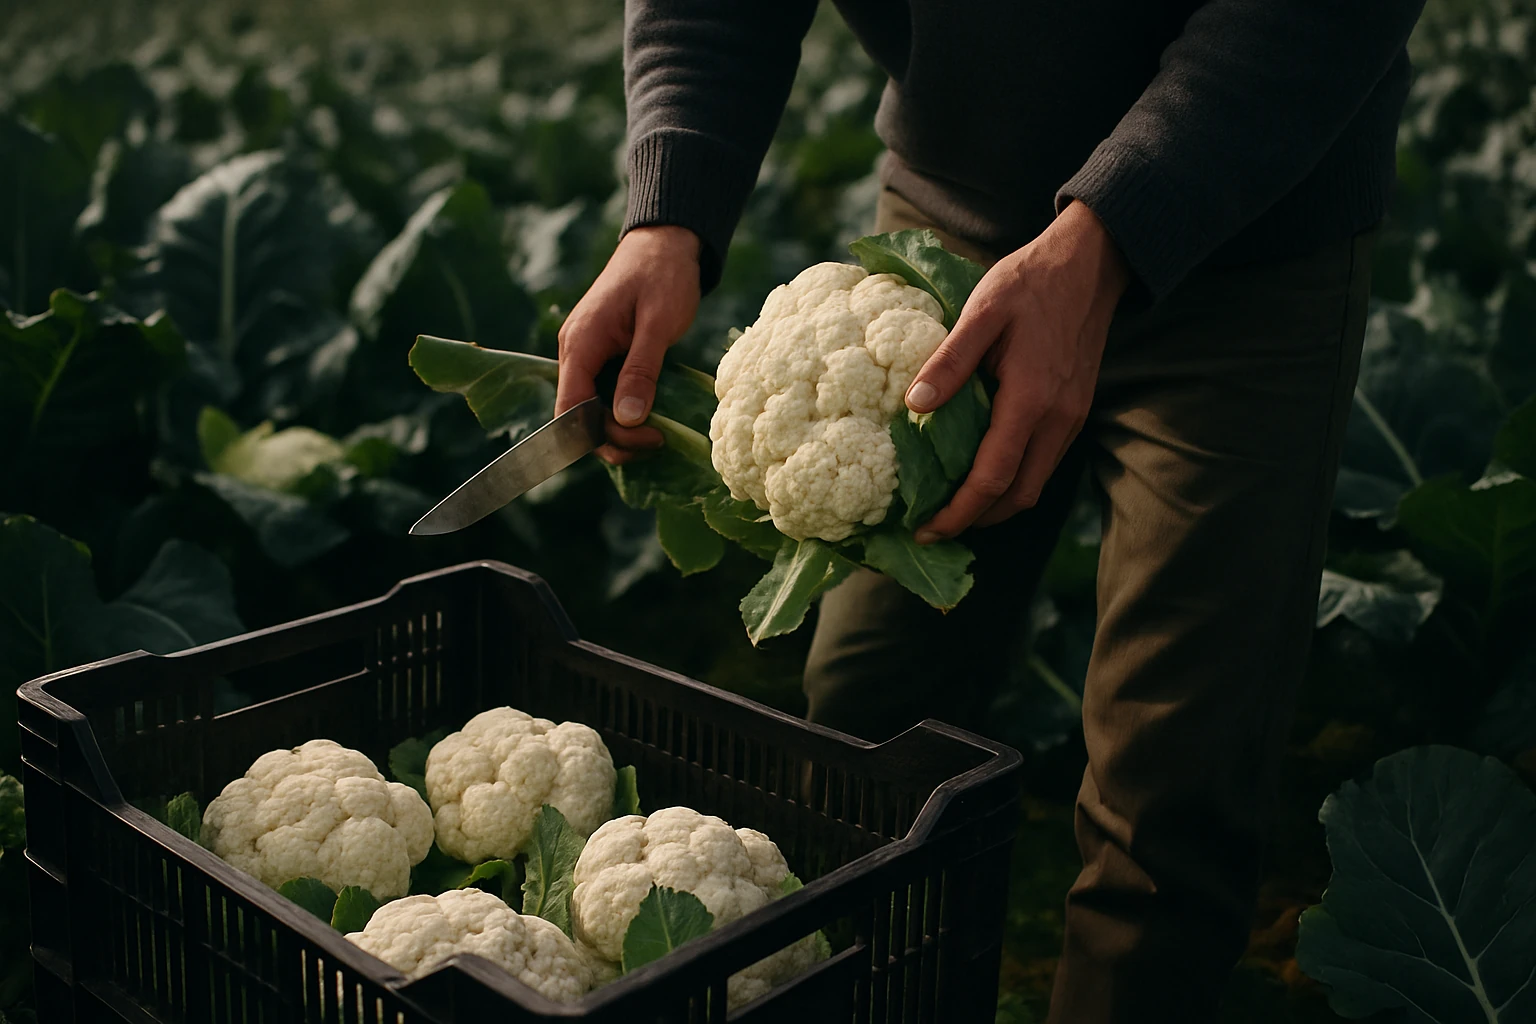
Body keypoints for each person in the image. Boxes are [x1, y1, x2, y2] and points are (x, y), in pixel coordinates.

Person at [554, 2, 1427, 1019]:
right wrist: (669, 211)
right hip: (948, 230)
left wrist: (1112, 231)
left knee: (1173, 792)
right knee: (871, 728)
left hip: (1246, 224)